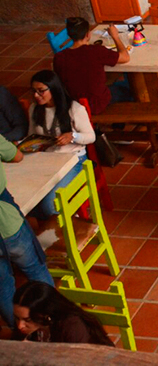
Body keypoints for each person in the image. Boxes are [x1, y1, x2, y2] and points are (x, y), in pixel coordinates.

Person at [0, 133, 54, 330]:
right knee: (35, 269)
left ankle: (21, 331)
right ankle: (50, 322)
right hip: (6, 222)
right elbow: (16, 156)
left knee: (2, 285)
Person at [25, 71, 96, 220]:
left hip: (73, 161)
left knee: (48, 204)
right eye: (34, 91)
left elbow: (91, 137)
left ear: (53, 89)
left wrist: (73, 136)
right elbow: (32, 135)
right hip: (46, 160)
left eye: (41, 91)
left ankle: (66, 225)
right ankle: (57, 222)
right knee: (25, 201)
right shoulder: (35, 109)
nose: (37, 95)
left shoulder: (73, 108)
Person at [52, 17, 130, 116]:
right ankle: (121, 120)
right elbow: (125, 57)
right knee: (127, 87)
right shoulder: (96, 51)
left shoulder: (59, 57)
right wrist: (115, 36)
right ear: (88, 35)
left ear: (69, 35)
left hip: (74, 104)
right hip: (96, 104)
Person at [12, 281, 112, 346]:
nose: (20, 326)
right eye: (17, 318)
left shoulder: (72, 326)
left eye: (27, 320)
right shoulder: (30, 330)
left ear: (45, 313)